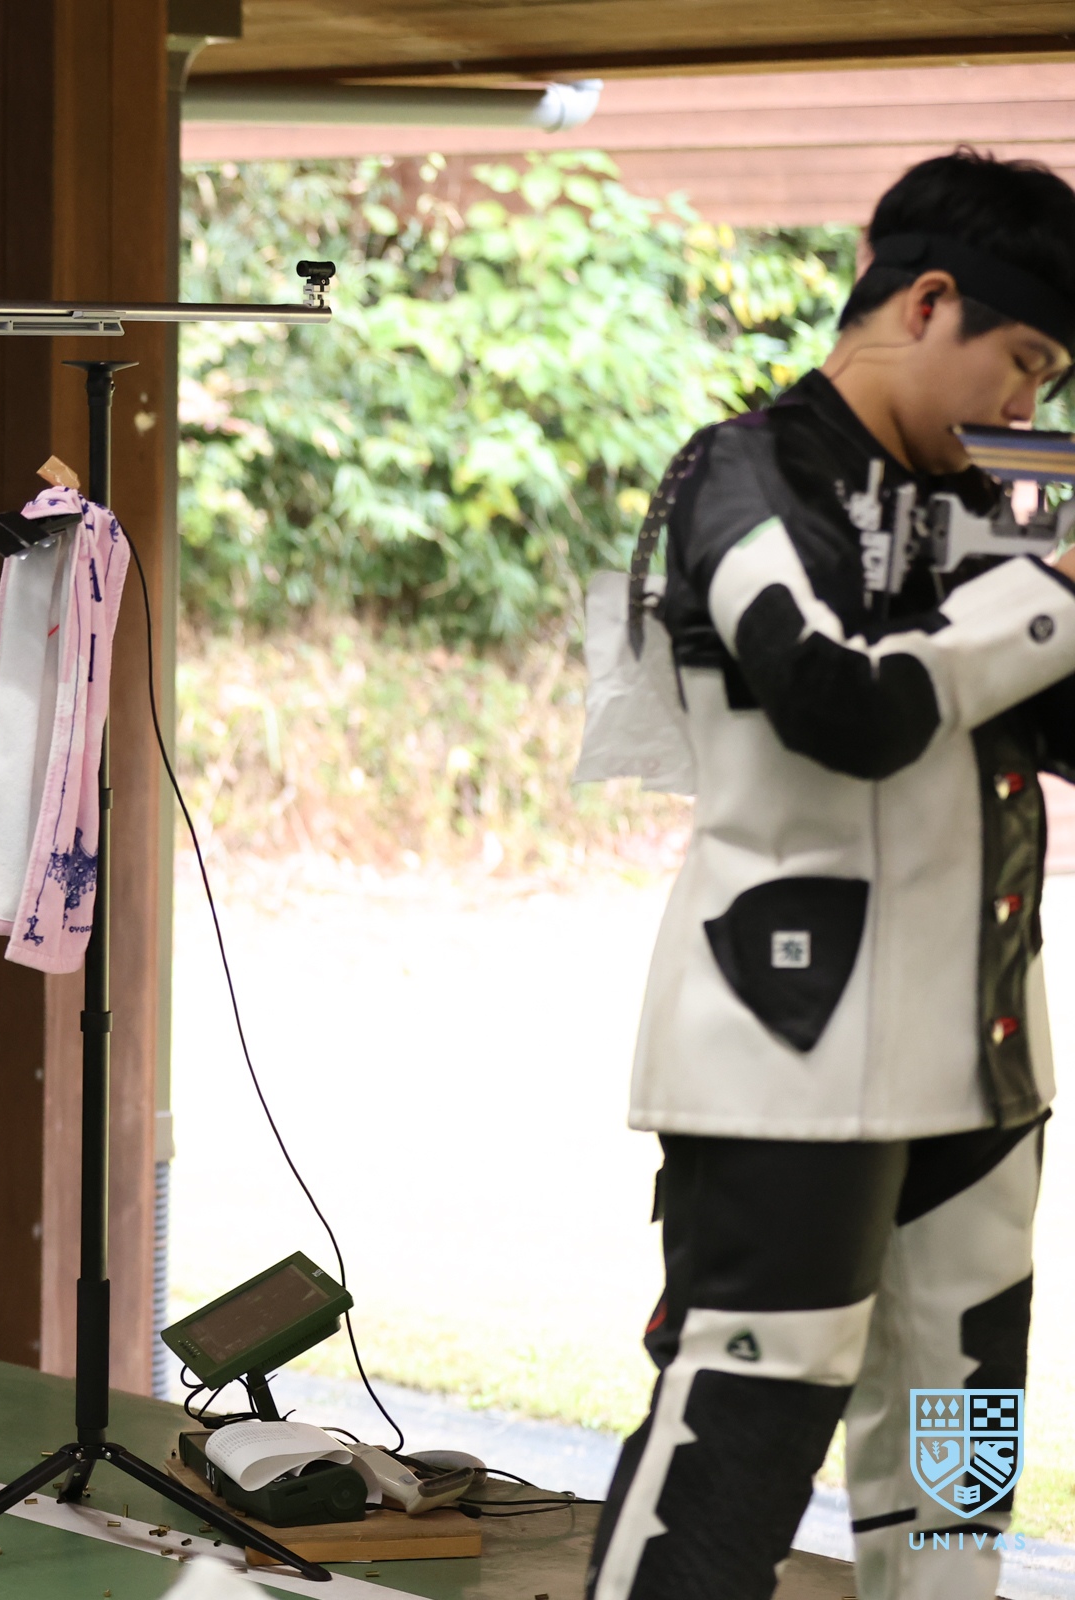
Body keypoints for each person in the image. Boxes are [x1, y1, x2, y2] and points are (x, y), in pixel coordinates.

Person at [589, 149, 1075, 1600]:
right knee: (741, 1439)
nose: (1028, 410)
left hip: (985, 1060)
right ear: (928, 302)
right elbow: (838, 700)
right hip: (790, 1048)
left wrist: (1040, 594)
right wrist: (1046, 604)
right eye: (1023, 361)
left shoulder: (1007, 504)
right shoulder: (740, 469)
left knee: (959, 1451)